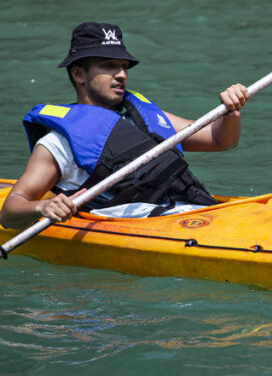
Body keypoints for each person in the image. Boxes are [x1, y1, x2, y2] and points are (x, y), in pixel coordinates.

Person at [0, 22, 249, 229]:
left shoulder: (143, 116)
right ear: (79, 74)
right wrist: (43, 206)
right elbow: (10, 211)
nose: (121, 74)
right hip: (146, 227)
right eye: (109, 66)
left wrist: (230, 112)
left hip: (196, 212)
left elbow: (221, 140)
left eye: (123, 66)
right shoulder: (58, 142)